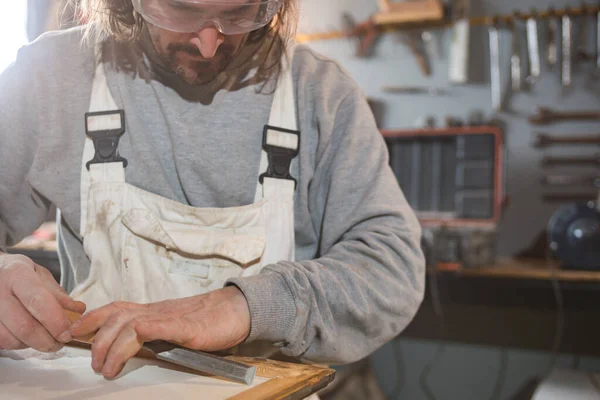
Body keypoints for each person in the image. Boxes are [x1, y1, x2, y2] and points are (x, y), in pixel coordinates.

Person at [0, 0, 425, 380]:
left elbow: (393, 270)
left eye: (239, 14)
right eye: (181, 11)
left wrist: (249, 306)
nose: (208, 43)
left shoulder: (320, 95)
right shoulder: (49, 77)